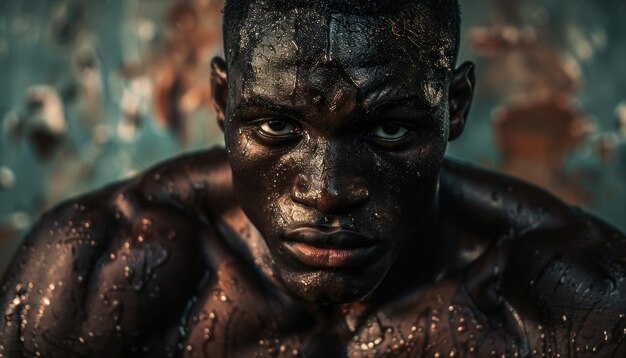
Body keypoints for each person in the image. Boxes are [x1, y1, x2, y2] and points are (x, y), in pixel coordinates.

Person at [2, 0, 625, 356]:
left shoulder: (574, 299)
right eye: (276, 127)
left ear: (453, 106)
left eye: (387, 132)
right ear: (224, 101)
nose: (326, 191)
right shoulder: (95, 268)